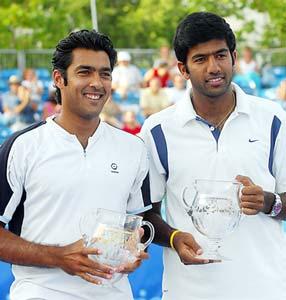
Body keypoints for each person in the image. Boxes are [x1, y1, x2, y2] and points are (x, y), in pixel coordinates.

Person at [140, 12, 286, 300]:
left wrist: (269, 202)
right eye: (200, 59)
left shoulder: (272, 119)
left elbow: (282, 202)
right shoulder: (157, 130)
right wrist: (173, 238)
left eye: (220, 55)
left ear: (233, 57)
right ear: (183, 69)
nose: (213, 67)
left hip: (264, 287)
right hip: (189, 291)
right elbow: (146, 213)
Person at [0, 29, 151, 300]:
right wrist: (59, 257)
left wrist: (132, 250)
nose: (97, 82)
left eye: (105, 74)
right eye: (85, 72)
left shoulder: (133, 148)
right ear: (59, 78)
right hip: (40, 294)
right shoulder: (22, 146)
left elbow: (138, 223)